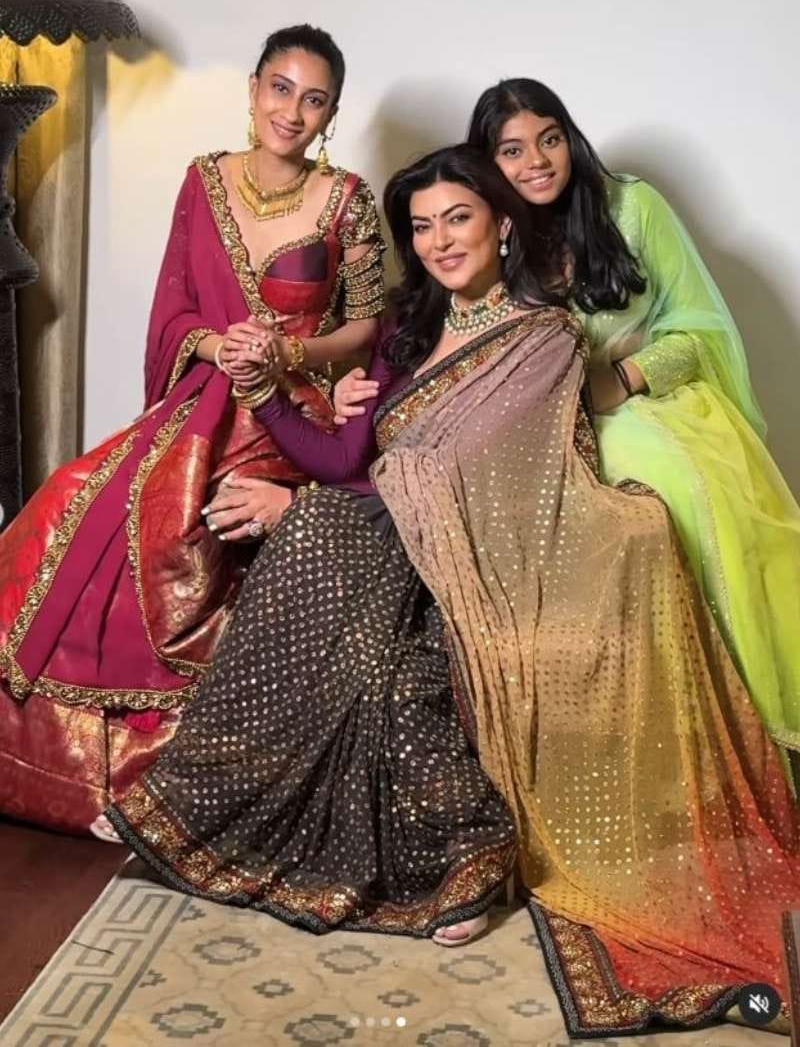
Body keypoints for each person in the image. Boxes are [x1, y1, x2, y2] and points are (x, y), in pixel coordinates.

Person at [109, 147, 799, 1030]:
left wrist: (312, 503)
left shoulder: (543, 338)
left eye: (458, 219)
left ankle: (468, 858)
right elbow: (346, 459)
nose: (439, 241)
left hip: (493, 566)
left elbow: (481, 481)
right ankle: (202, 798)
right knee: (328, 559)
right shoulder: (405, 331)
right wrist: (272, 396)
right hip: (401, 548)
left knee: (369, 615)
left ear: (502, 225)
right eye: (423, 226)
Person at [339, 80, 800, 762]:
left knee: (662, 486)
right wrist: (349, 382)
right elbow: (447, 350)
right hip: (535, 423)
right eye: (512, 150)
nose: (536, 162)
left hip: (640, 404)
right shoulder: (486, 236)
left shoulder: (632, 207)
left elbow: (697, 330)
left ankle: (739, 728)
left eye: (549, 139)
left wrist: (624, 380)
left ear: (570, 139)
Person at [0, 24, 384, 837]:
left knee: (191, 527)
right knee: (75, 493)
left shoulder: (349, 199)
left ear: (332, 113)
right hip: (203, 398)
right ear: (253, 88)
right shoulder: (202, 180)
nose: (292, 112)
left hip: (289, 407)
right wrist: (218, 345)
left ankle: (184, 782)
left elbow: (366, 330)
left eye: (314, 100)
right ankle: (76, 772)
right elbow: (173, 310)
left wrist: (286, 352)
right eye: (280, 88)